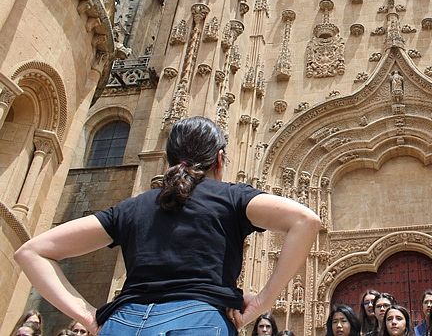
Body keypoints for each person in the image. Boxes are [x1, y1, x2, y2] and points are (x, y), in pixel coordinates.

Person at [14, 117, 321, 334]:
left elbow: (32, 252)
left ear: (168, 159)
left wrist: (88, 316)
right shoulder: (231, 197)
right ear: (219, 159)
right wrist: (262, 302)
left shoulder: (133, 206)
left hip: (124, 323)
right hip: (198, 322)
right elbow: (305, 220)